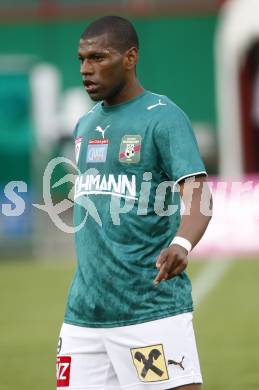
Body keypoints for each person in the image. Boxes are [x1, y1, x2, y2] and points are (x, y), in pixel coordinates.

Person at [56, 16, 212, 390]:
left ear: (130, 58)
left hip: (148, 309)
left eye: (98, 58)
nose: (86, 69)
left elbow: (199, 193)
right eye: (81, 59)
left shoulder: (162, 118)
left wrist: (182, 242)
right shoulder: (86, 124)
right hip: (84, 316)